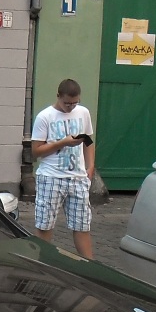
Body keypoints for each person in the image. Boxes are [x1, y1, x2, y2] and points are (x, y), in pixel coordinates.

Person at [29, 78, 96, 259]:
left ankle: (89, 266)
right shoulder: (45, 117)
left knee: (82, 225)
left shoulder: (83, 113)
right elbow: (36, 151)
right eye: (67, 103)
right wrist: (63, 142)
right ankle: (43, 261)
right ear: (58, 97)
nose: (71, 107)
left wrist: (90, 166)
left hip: (78, 177)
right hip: (51, 177)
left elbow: (88, 141)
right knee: (45, 224)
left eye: (75, 103)